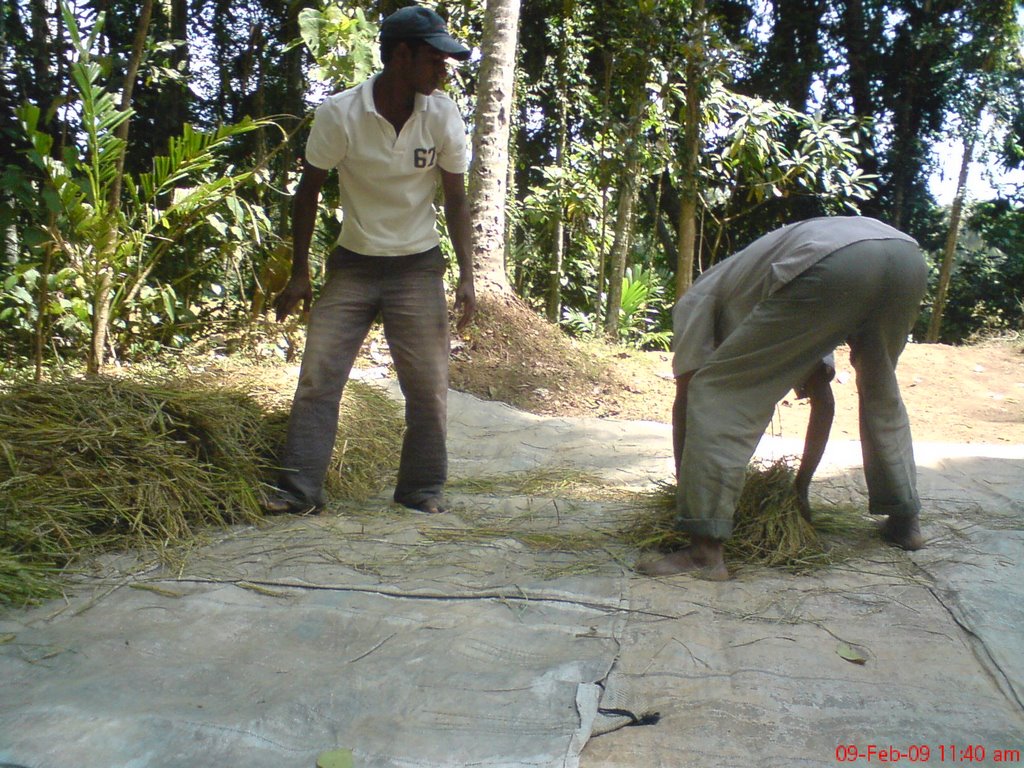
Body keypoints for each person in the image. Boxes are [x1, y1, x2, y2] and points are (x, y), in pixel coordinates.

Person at [265, 5, 476, 516]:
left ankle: (421, 488)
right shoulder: (340, 113)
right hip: (353, 265)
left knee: (427, 386)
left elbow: (455, 198)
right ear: (400, 56)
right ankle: (299, 491)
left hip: (418, 266)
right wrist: (300, 272)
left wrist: (468, 275)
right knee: (318, 378)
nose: (443, 70)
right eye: (434, 59)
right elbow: (308, 190)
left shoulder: (442, 114)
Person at [638, 216, 929, 580]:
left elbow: (690, 397)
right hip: (903, 255)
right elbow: (822, 398)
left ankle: (703, 552)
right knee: (881, 389)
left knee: (715, 389)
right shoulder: (779, 293)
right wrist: (799, 490)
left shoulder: (698, 298)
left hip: (832, 262)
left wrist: (691, 501)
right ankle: (905, 521)